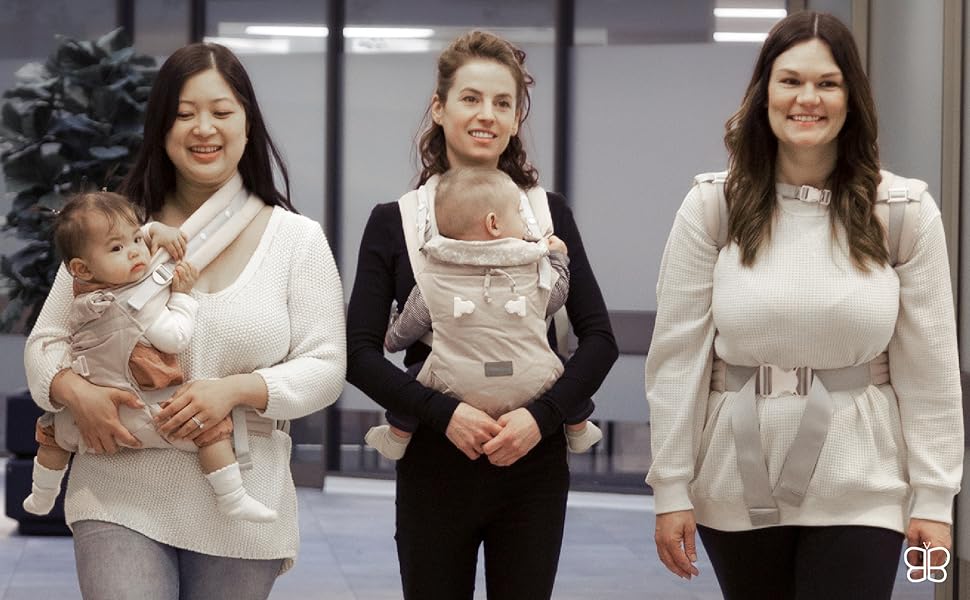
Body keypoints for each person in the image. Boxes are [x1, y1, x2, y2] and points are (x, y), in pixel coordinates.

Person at [645, 11, 962, 599]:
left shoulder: (904, 211)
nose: (807, 98)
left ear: (851, 98)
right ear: (764, 93)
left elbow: (931, 368)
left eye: (827, 83)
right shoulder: (712, 206)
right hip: (737, 479)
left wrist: (935, 498)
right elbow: (677, 359)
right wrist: (670, 487)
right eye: (790, 80)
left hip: (864, 483)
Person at [25, 42, 346, 599]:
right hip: (119, 481)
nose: (204, 128)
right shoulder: (114, 232)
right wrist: (77, 392)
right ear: (161, 127)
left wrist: (235, 391)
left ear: (247, 122)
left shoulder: (297, 239)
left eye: (221, 111)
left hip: (242, 489)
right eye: (184, 113)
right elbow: (45, 343)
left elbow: (326, 366)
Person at [346, 31, 618, 599]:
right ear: (439, 108)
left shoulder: (547, 215)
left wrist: (540, 418)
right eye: (470, 98)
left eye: (502, 103)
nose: (486, 115)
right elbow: (359, 352)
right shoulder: (394, 221)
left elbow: (599, 339)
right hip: (434, 459)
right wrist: (444, 414)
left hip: (533, 463)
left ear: (517, 119)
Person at [24, 190, 276, 523]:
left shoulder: (84, 290)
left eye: (137, 240)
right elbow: (175, 338)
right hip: (148, 411)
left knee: (52, 435)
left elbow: (121, 240)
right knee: (210, 431)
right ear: (81, 268)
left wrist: (153, 231)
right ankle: (232, 497)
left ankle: (42, 495)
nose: (134, 252)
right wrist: (182, 297)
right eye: (118, 249)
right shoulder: (136, 308)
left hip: (88, 416)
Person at [365, 166, 602, 460]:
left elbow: (403, 332)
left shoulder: (432, 277)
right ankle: (578, 429)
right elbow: (556, 296)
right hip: (529, 379)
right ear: (494, 223)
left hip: (453, 383)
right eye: (518, 213)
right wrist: (559, 260)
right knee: (563, 372)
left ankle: (397, 437)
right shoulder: (530, 270)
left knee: (413, 380)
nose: (525, 222)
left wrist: (392, 333)